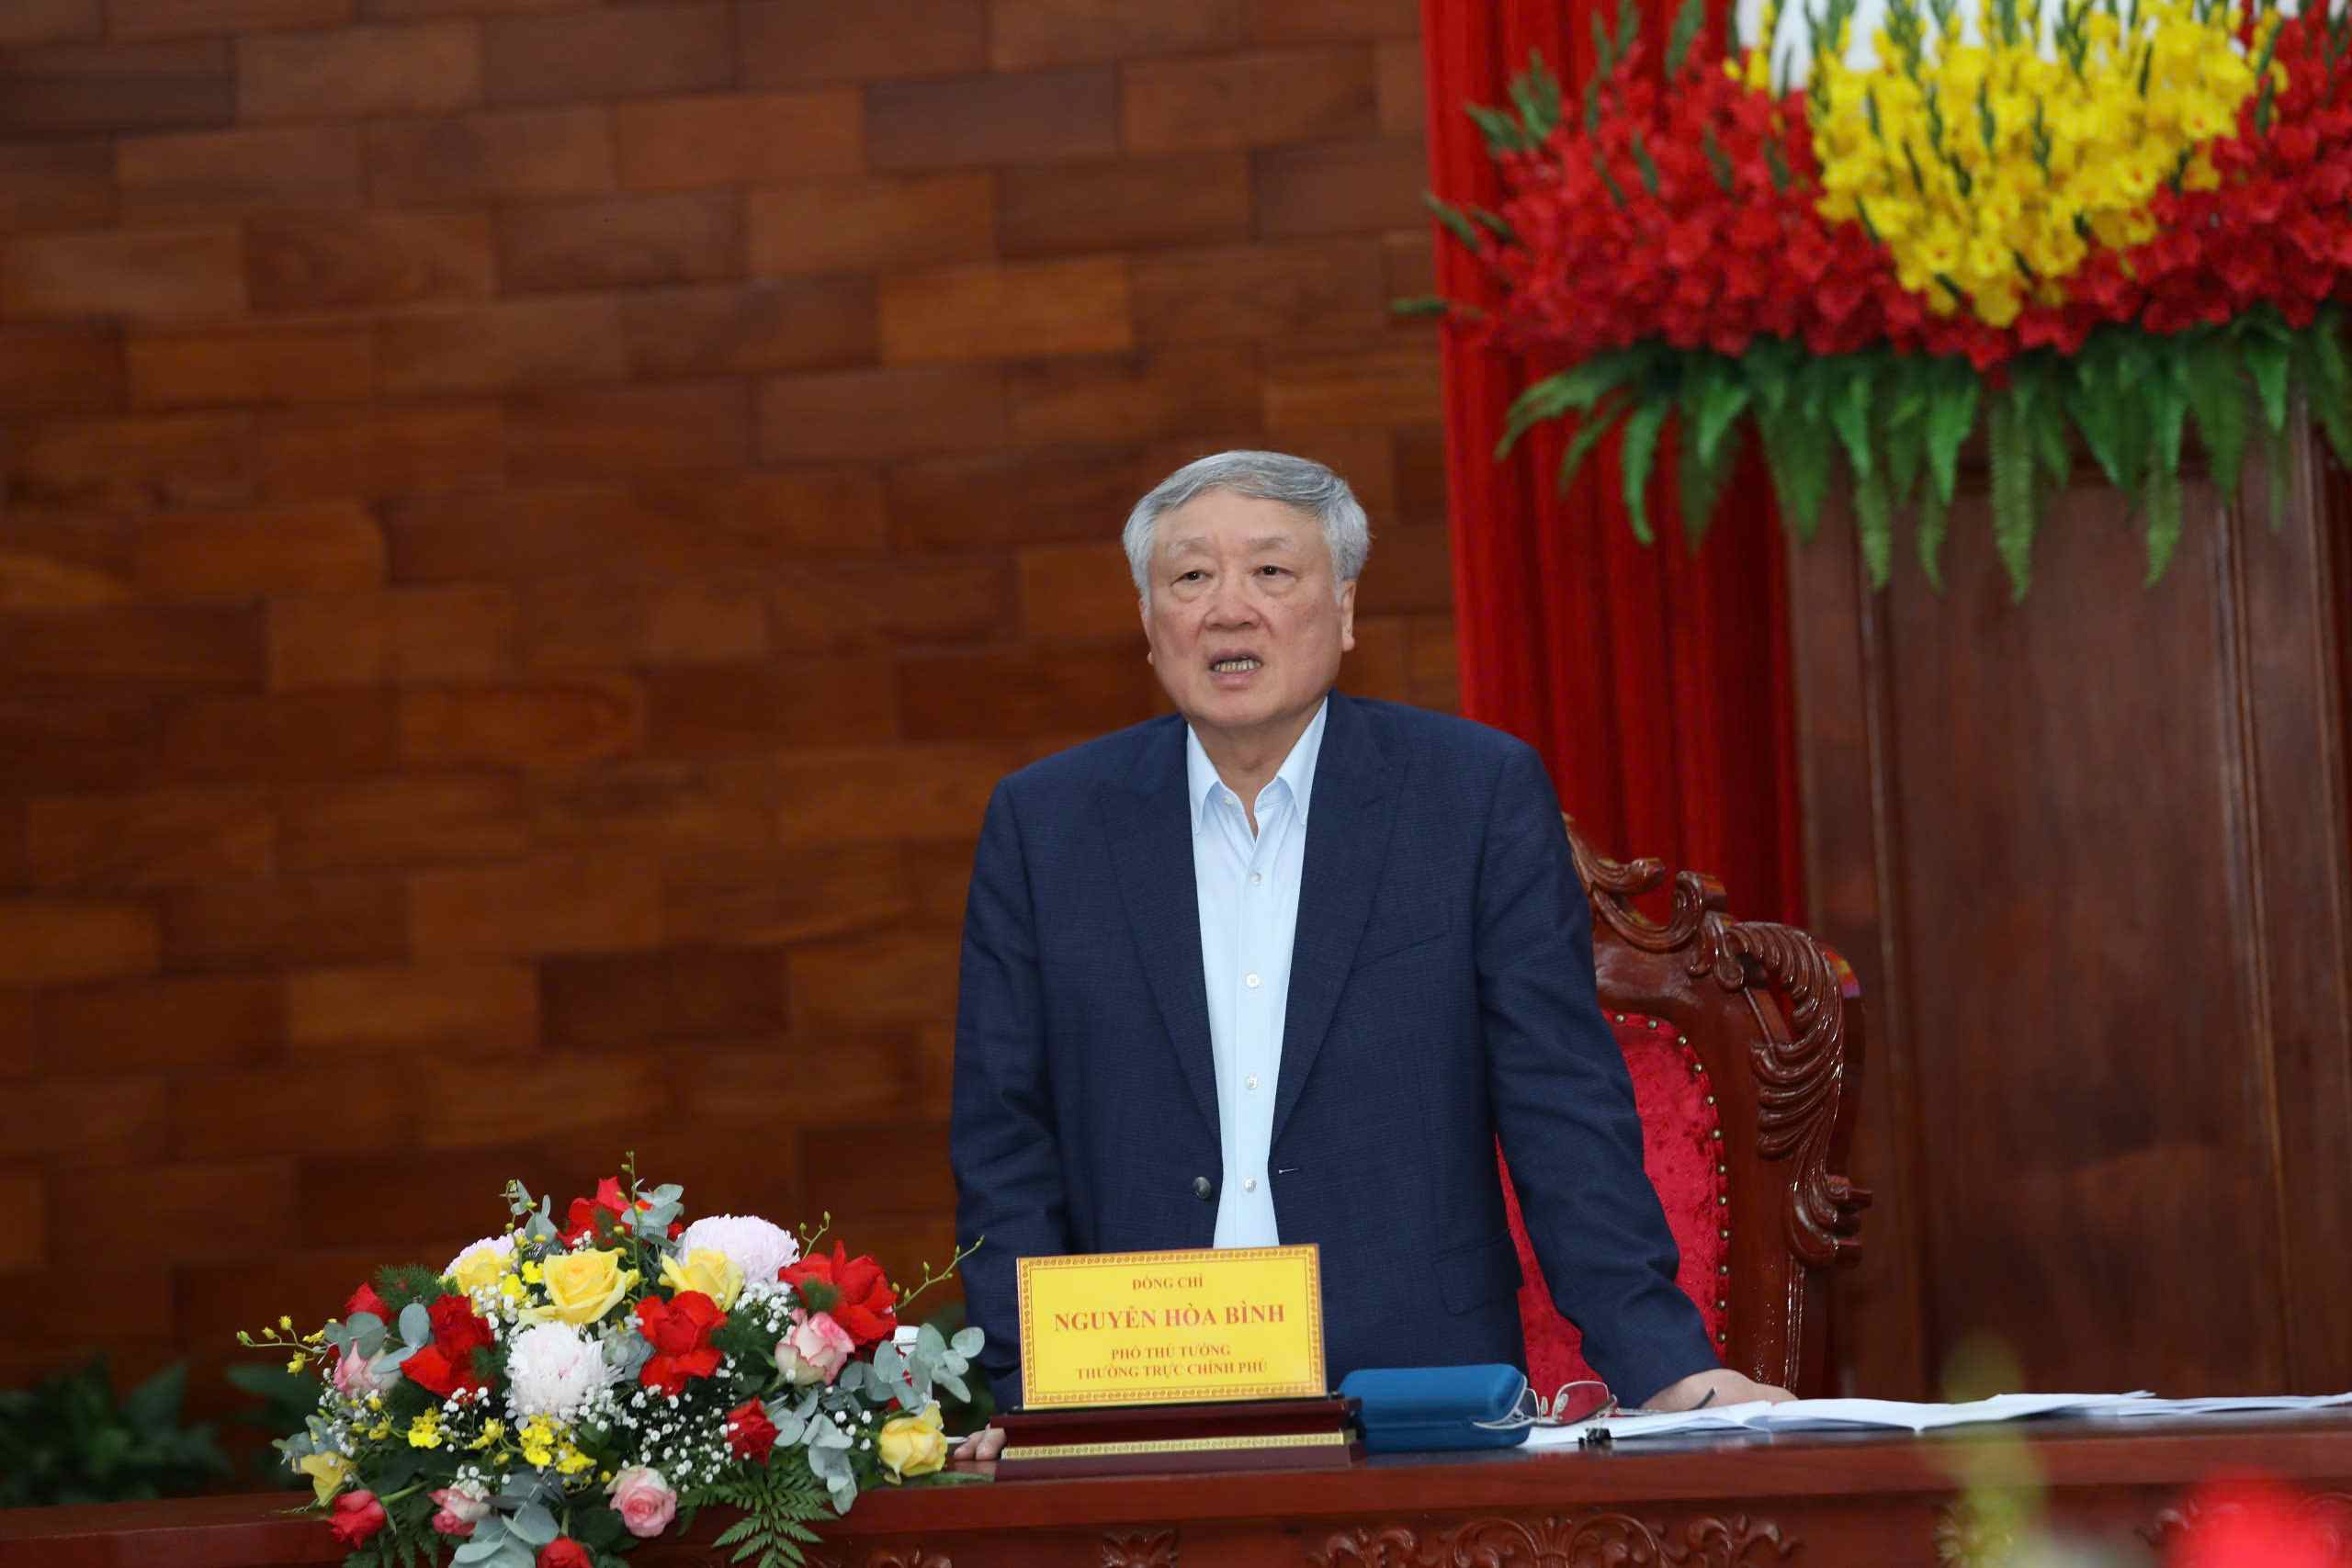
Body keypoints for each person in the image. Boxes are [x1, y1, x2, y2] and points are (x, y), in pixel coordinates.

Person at [948, 451, 1789, 1457]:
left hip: (1412, 1396)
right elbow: (1004, 1138)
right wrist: (1028, 1394)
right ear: (1148, 623)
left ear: (1343, 611)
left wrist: (1662, 1365)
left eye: (1271, 572)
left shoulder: (1467, 798)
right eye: (1189, 578)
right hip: (1136, 1399)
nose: (1227, 610)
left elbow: (1558, 1102)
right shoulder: (1047, 825)